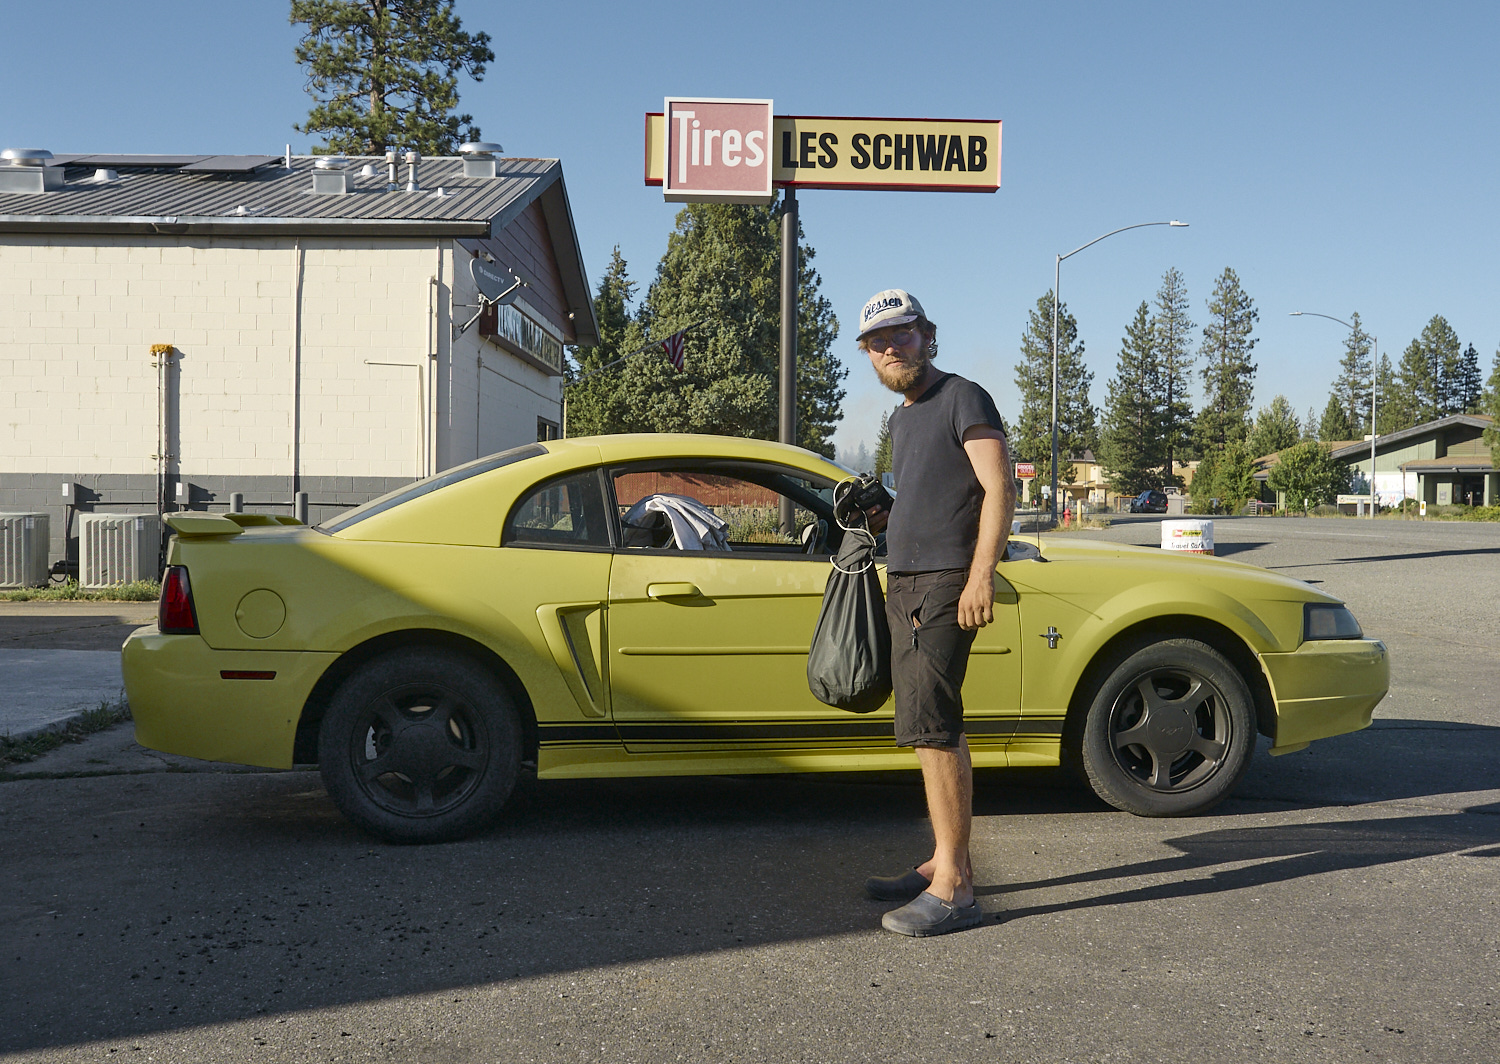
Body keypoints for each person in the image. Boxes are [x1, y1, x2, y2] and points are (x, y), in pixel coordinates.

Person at [855, 289, 1015, 937]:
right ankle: (942, 861)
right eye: (878, 341)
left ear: (927, 335)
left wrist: (981, 576)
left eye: (903, 334)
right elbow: (929, 498)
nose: (892, 348)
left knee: (932, 727)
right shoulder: (903, 419)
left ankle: (955, 889)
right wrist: (882, 515)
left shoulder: (962, 397)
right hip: (907, 582)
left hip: (946, 583)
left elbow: (1000, 485)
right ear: (868, 354)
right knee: (932, 722)